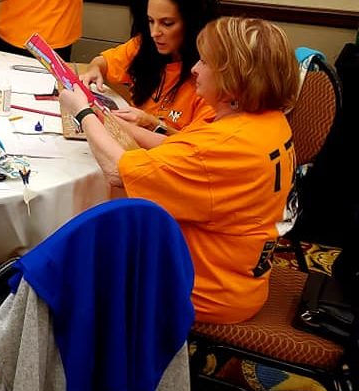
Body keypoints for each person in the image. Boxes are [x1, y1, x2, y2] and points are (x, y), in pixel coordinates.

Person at [60, 17, 300, 323]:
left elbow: (117, 172)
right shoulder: (266, 122)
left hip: (201, 290)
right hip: (240, 276)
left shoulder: (224, 145)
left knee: (71, 260)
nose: (195, 69)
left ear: (234, 79)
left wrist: (81, 112)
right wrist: (114, 120)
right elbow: (184, 149)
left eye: (206, 62)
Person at [80, 0, 220, 133]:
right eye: (150, 21)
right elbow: (103, 61)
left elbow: (199, 147)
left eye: (167, 23)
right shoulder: (144, 46)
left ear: (194, 23)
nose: (155, 33)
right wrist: (94, 69)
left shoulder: (210, 74)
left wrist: (152, 124)